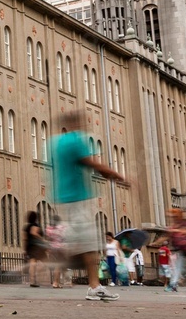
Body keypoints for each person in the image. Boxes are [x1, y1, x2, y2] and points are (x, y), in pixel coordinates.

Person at [50, 110, 128, 301]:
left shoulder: (56, 142)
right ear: (74, 123)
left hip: (65, 197)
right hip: (78, 198)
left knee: (84, 243)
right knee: (89, 244)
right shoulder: (74, 141)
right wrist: (120, 177)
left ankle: (92, 284)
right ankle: (94, 286)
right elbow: (93, 164)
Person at [25, 211, 48, 287]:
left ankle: (32, 280)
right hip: (36, 247)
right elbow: (33, 233)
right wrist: (42, 240)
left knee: (32, 264)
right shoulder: (35, 225)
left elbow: (25, 238)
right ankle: (35, 279)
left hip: (30, 247)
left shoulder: (27, 227)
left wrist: (25, 249)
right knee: (45, 263)